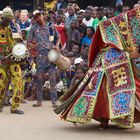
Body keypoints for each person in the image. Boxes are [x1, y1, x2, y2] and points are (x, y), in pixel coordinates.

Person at [54, 7, 140, 129]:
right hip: (105, 65)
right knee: (101, 93)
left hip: (116, 63)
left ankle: (112, 118)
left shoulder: (111, 29)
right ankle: (105, 119)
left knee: (113, 91)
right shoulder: (109, 30)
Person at [27, 10, 60, 108]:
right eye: (36, 17)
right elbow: (29, 41)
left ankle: (54, 101)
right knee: (39, 79)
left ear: (43, 16)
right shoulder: (34, 28)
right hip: (40, 56)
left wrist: (57, 45)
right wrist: (33, 46)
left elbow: (58, 37)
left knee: (52, 78)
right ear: (34, 18)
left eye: (39, 16)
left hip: (51, 55)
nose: (38, 18)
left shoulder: (50, 26)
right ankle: (39, 101)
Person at [0, 7, 24, 114]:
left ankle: (14, 107)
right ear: (2, 17)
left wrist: (21, 44)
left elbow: (19, 42)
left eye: (10, 20)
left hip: (14, 60)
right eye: (6, 20)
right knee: (1, 84)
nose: (8, 22)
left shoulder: (13, 27)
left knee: (18, 82)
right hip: (2, 61)